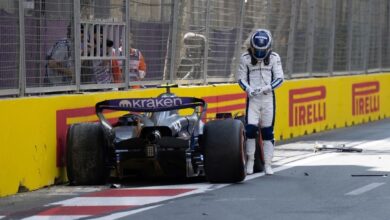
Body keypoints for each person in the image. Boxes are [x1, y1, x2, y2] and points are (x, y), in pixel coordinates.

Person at [237, 29, 284, 175]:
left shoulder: (275, 58)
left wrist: (268, 88)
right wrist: (248, 89)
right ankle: (250, 161)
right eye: (256, 49)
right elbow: (240, 79)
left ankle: (268, 164)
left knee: (268, 132)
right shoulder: (245, 58)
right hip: (253, 99)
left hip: (268, 98)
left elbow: (280, 79)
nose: (259, 53)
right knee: (250, 129)